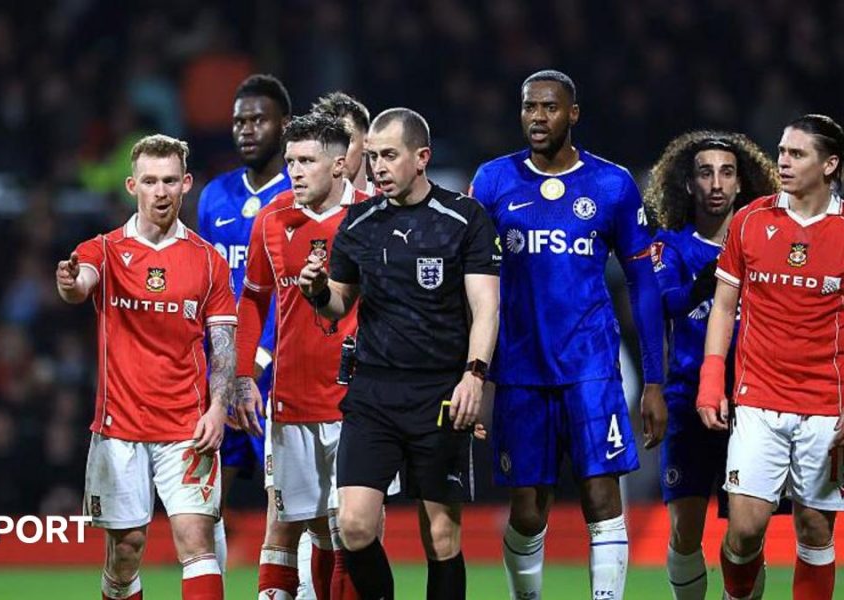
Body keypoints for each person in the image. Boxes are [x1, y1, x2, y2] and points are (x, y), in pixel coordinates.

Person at [469, 69, 666, 600]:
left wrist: (653, 381)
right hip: (520, 371)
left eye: (550, 107)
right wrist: (473, 375)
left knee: (602, 498)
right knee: (528, 512)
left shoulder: (611, 185)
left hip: (591, 369)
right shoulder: (492, 182)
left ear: (573, 114)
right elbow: (472, 286)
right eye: (530, 106)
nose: (538, 117)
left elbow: (644, 287)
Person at [299, 107, 501, 600]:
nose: (378, 167)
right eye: (371, 157)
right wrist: (320, 291)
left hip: (440, 394)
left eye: (389, 155)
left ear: (422, 157)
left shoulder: (464, 218)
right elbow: (338, 306)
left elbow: (486, 306)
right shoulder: (359, 223)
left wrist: (474, 376)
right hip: (372, 392)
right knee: (354, 525)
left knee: (440, 535)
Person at [57, 134, 234, 600]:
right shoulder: (104, 250)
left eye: (170, 181)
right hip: (120, 428)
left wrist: (218, 409)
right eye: (151, 181)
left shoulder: (209, 261)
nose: (161, 191)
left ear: (187, 184)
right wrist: (73, 283)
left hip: (187, 427)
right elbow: (81, 285)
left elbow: (223, 344)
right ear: (132, 185)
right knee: (126, 551)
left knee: (197, 543)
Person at [698, 114, 844, 600]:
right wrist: (711, 379)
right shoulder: (750, 221)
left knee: (815, 532)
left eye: (797, 153)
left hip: (827, 405)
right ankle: (738, 593)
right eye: (782, 150)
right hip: (758, 400)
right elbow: (722, 308)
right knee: (744, 531)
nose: (783, 160)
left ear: (830, 165)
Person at [643, 131, 780, 600]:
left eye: (726, 172)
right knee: (684, 530)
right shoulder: (671, 247)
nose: (716, 183)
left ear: (742, 183)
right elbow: (669, 303)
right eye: (705, 173)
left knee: (747, 534)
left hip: (753, 403)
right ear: (688, 184)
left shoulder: (767, 244)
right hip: (687, 400)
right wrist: (718, 273)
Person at [235, 113, 365, 599]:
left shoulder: (371, 215)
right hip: (290, 399)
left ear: (338, 166)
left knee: (348, 528)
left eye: (307, 161)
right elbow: (252, 298)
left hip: (357, 401)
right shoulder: (272, 218)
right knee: (297, 523)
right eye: (290, 161)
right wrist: (244, 375)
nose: (295, 171)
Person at [195, 72, 292, 576]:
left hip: (275, 373)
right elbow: (208, 284)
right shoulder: (215, 196)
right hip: (220, 374)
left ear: (285, 125)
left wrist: (254, 362)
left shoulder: (299, 193)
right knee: (205, 500)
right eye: (239, 121)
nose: (246, 129)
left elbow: (288, 290)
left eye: (258, 119)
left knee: (287, 503)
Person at [311, 91, 375, 195]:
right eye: (326, 143)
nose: (335, 155)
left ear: (366, 142)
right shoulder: (296, 205)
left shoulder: (388, 206)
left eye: (346, 141)